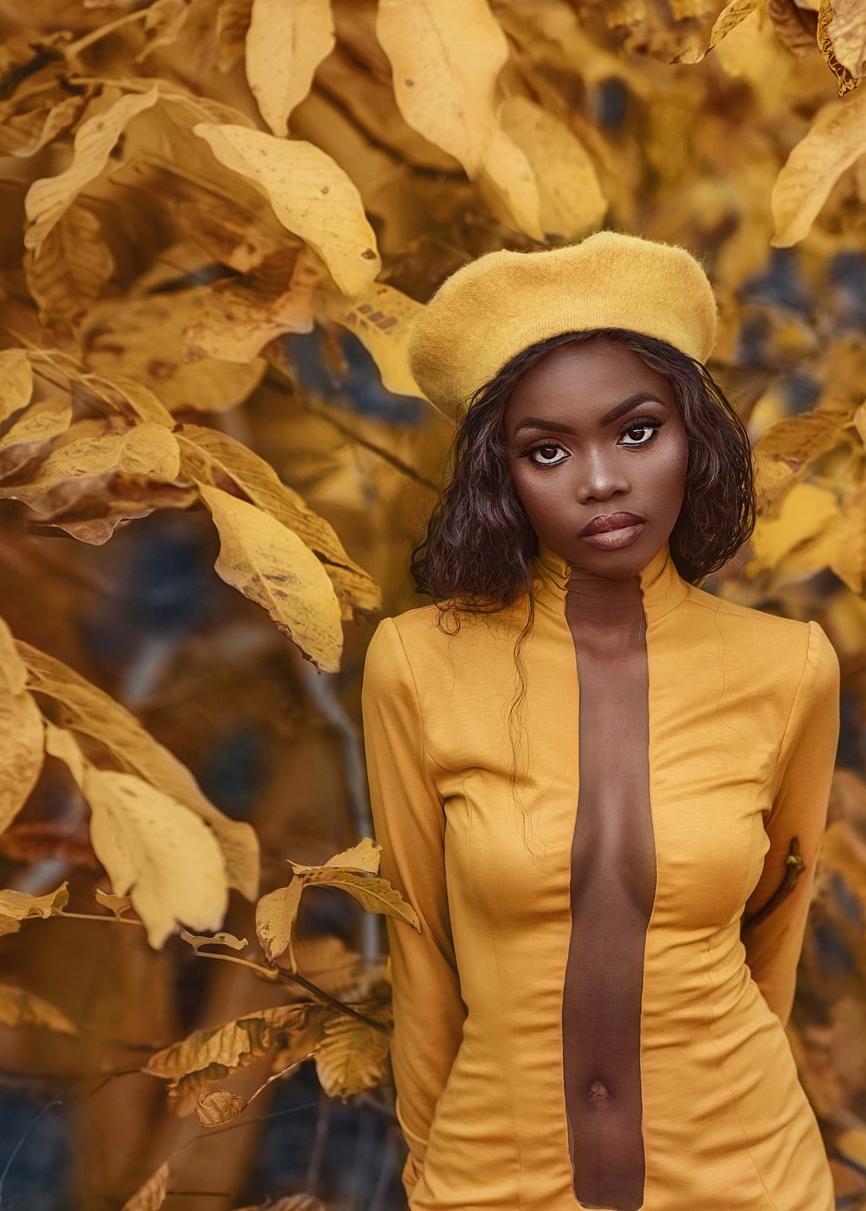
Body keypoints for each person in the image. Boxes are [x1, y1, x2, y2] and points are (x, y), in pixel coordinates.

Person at [360, 230, 841, 1211]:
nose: (600, 480)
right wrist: (429, 1168)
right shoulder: (417, 662)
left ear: (691, 439)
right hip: (495, 1173)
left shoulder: (788, 667)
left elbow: (775, 941)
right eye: (546, 450)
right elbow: (417, 947)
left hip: (745, 1172)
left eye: (634, 432)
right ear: (505, 479)